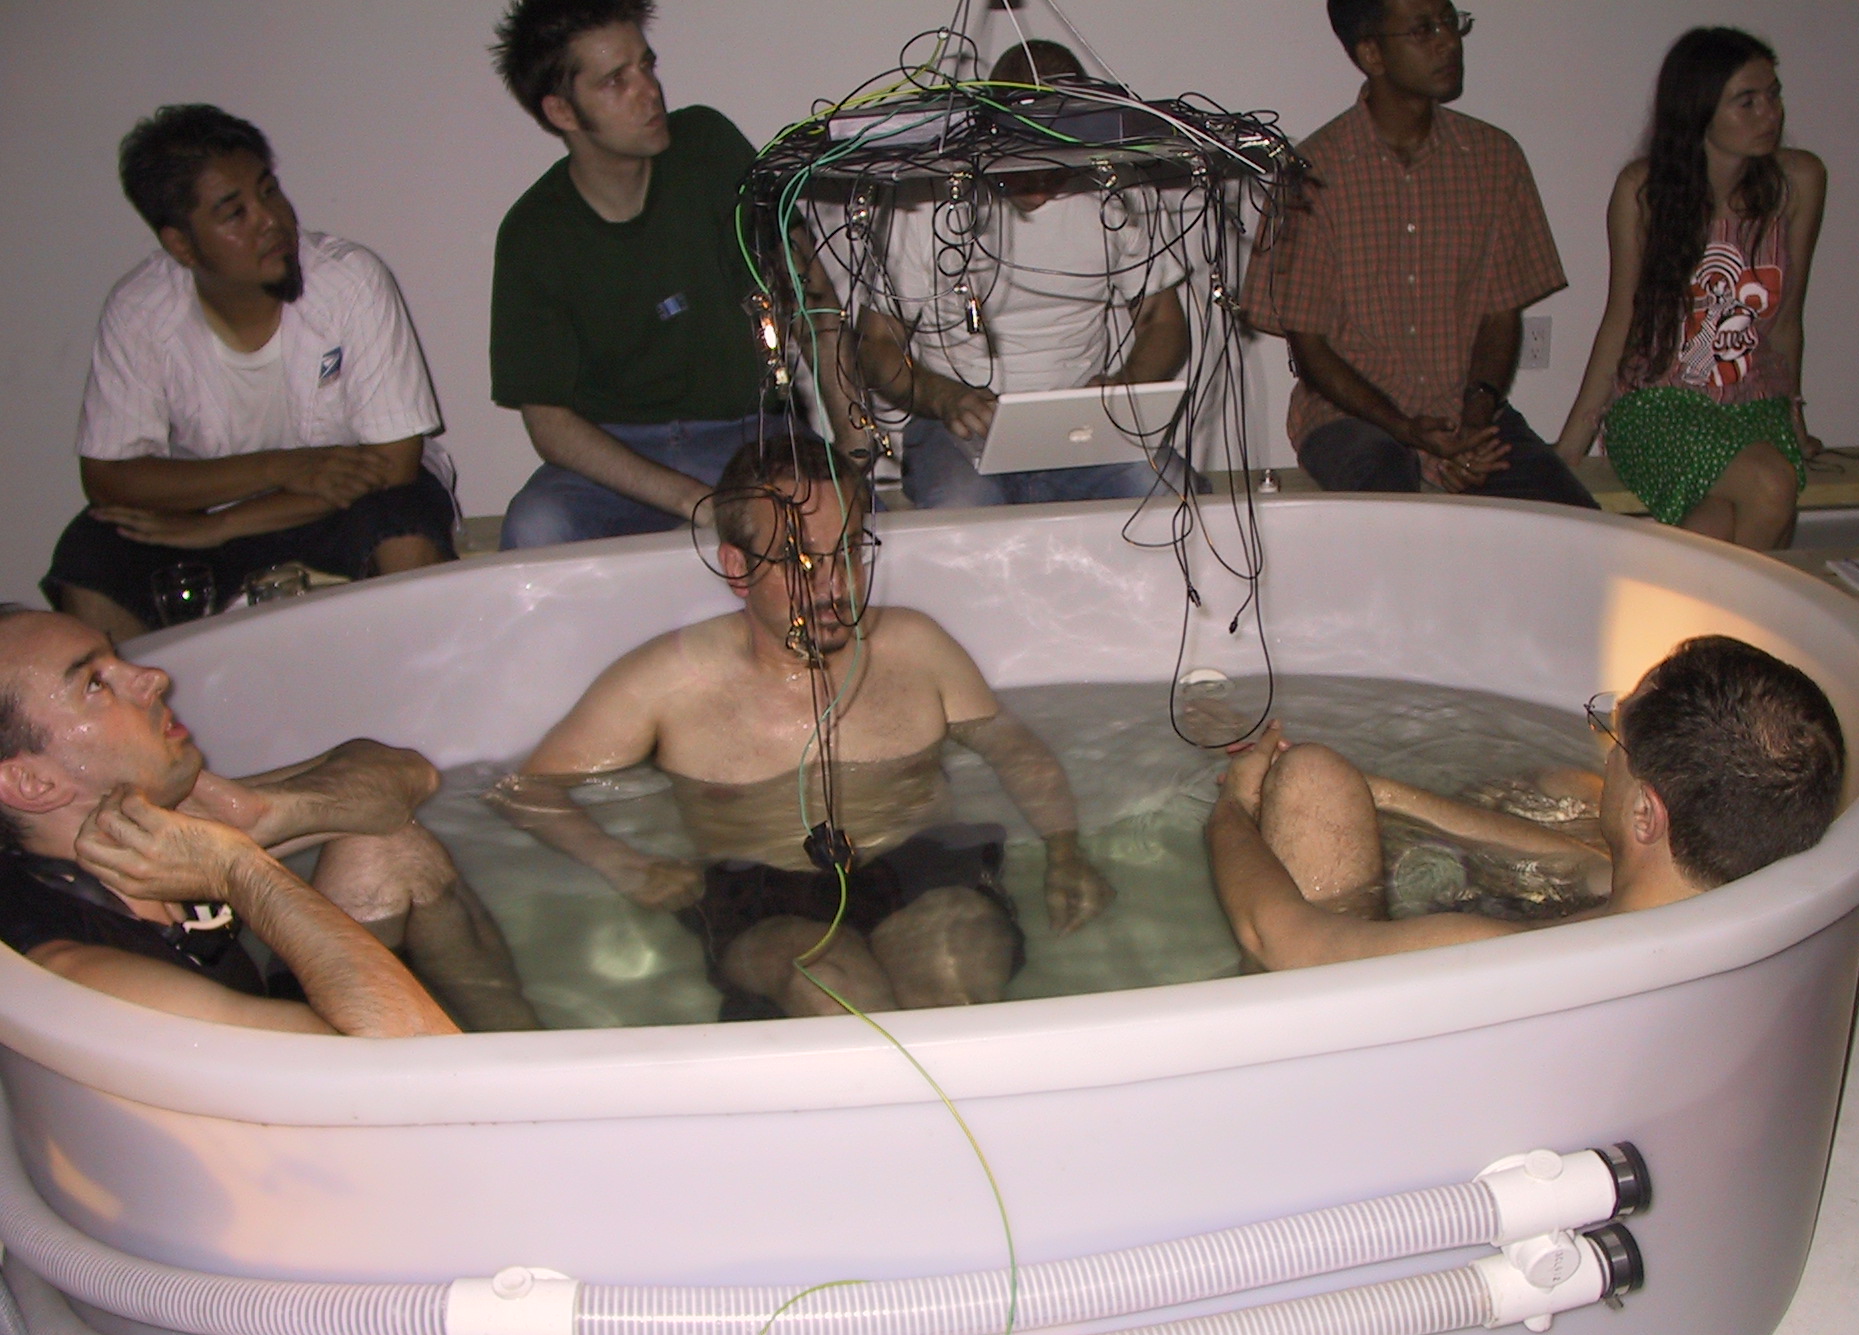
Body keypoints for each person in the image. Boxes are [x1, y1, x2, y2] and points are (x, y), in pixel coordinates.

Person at [489, 436, 1114, 1018]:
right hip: (760, 896)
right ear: (736, 568)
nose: (834, 586)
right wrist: (626, 867)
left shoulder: (914, 646)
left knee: (951, 978)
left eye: (849, 552)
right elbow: (526, 791)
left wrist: (1065, 851)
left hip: (922, 869)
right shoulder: (664, 682)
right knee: (832, 987)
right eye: (799, 560)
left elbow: (1012, 747)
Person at [0, 609, 539, 1035]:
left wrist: (263, 814)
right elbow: (410, 1061)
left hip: (292, 1041)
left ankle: (526, 1062)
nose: (154, 678)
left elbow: (407, 774)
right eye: (95, 683)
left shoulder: (130, 826)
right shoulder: (90, 979)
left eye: (117, 658)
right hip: (296, 1108)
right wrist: (239, 870)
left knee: (389, 844)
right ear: (32, 783)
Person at [48, 105, 459, 643]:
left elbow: (394, 463)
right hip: (216, 504)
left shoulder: (350, 281)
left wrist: (220, 525)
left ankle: (416, 682)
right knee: (91, 551)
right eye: (234, 213)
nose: (271, 220)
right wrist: (279, 468)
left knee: (400, 519)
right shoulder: (140, 311)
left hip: (340, 503)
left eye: (269, 191)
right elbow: (108, 479)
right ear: (181, 244)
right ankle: (135, 696)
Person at [1207, 635, 1842, 969]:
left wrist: (1232, 809)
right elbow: (1572, 860)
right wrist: (1380, 792)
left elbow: (1279, 941)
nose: (1607, 752)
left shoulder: (1495, 956)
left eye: (1616, 738)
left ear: (1646, 814)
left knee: (1309, 781)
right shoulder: (1710, 905)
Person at [489, 0, 852, 548]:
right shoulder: (534, 233)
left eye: (647, 66)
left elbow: (814, 304)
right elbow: (550, 424)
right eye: (616, 81)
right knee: (536, 526)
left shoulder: (709, 145)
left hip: (749, 434)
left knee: (823, 521)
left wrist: (852, 450)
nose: (649, 91)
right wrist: (694, 501)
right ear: (562, 111)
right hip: (616, 456)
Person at [1239, 0, 1597, 508]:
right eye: (1423, 29)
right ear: (1372, 54)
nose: (1448, 42)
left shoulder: (1495, 158)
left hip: (1465, 411)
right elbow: (1310, 347)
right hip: (1352, 418)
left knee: (1573, 523)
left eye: (1451, 22)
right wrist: (1408, 431)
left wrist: (1474, 419)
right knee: (1392, 504)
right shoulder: (1313, 173)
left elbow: (1501, 314)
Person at [855, 40, 1197, 510]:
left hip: (1080, 424)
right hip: (953, 424)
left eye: (1053, 171)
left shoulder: (1117, 189)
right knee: (961, 507)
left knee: (1172, 498)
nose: (1037, 191)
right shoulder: (924, 201)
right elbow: (876, 345)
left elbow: (1163, 321)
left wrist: (1123, 385)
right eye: (1018, 168)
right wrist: (942, 395)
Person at [1558, 28, 1826, 549]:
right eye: (1747, 101)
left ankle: (1658, 600)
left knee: (1712, 529)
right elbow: (1622, 318)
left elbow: (1788, 319)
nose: (1769, 113)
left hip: (1756, 404)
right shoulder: (1644, 191)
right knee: (1771, 485)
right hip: (1659, 404)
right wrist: (1573, 443)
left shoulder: (1799, 182)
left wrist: (1794, 416)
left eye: (1773, 95)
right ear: (1698, 109)